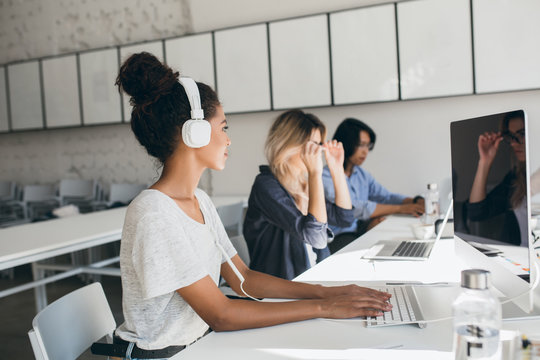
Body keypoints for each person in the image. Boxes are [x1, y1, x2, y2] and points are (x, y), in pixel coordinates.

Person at [110, 52, 391, 358]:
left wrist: (326, 291)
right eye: (223, 128)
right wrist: (324, 307)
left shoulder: (199, 201)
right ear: (196, 131)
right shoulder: (154, 212)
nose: (228, 140)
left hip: (197, 345)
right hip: (162, 355)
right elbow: (221, 314)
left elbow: (243, 279)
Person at [243, 109, 355, 280]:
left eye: (318, 145)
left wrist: (337, 169)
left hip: (315, 278)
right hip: (283, 290)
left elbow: (344, 218)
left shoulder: (304, 184)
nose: (316, 152)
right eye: (310, 145)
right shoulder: (266, 186)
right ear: (287, 143)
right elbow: (316, 237)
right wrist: (315, 174)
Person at [322, 118, 424, 253]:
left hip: (359, 229)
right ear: (346, 143)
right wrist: (402, 208)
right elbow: (356, 208)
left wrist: (415, 201)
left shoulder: (361, 174)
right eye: (361, 145)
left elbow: (385, 196)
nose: (365, 152)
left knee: (390, 234)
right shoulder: (325, 176)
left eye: (368, 146)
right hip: (338, 237)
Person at [467, 110, 528, 246]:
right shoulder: (516, 178)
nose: (513, 143)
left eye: (522, 134)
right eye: (511, 137)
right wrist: (485, 162)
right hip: (521, 260)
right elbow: (477, 212)